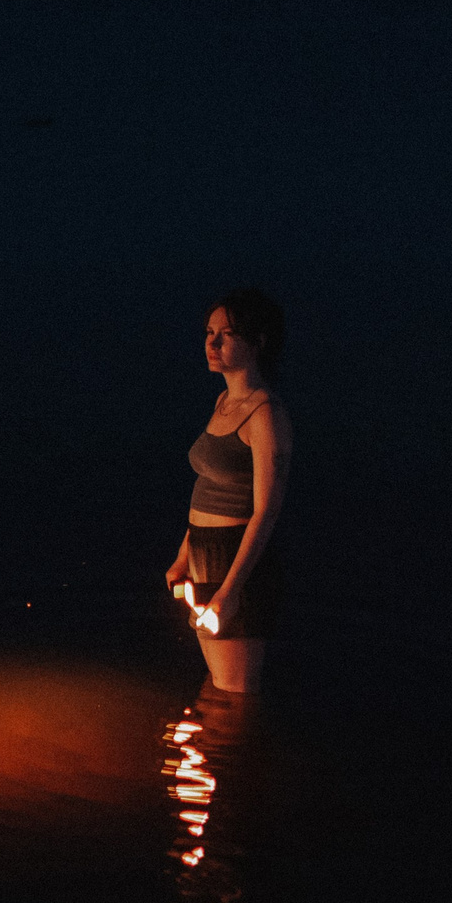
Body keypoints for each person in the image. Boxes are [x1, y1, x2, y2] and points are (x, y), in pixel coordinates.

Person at [164, 289, 293, 695]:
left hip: (236, 558)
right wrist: (184, 556)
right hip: (204, 554)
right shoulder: (223, 402)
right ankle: (213, 750)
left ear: (258, 342)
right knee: (218, 681)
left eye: (227, 334)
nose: (212, 343)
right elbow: (207, 488)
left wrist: (231, 589)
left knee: (235, 690)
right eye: (209, 332)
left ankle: (235, 757)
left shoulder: (266, 414)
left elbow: (266, 511)